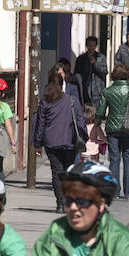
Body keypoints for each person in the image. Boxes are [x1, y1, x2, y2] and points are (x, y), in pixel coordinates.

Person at [34, 72, 87, 212]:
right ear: (62, 84)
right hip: (69, 141)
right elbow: (80, 122)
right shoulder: (72, 100)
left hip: (51, 142)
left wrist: (37, 143)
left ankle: (60, 203)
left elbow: (40, 125)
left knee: (56, 172)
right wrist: (83, 138)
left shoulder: (45, 102)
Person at [98, 64, 129, 200]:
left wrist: (96, 124)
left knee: (114, 160)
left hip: (112, 128)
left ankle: (114, 192)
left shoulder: (108, 91)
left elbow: (100, 111)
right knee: (128, 160)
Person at [74, 35, 109, 105]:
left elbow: (105, 71)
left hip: (98, 91)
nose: (91, 48)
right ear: (86, 46)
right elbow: (76, 74)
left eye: (93, 45)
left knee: (98, 113)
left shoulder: (100, 57)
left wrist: (95, 64)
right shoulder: (80, 59)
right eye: (89, 45)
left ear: (96, 46)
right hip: (85, 90)